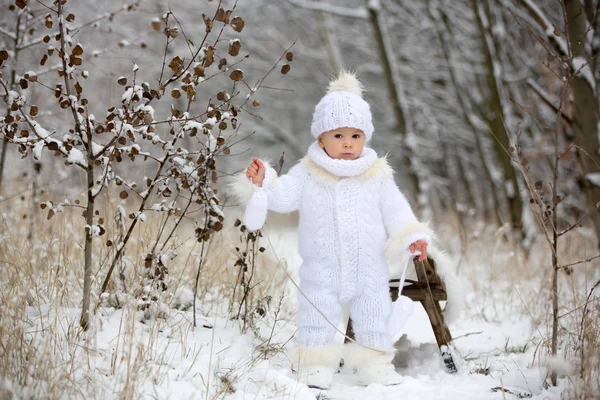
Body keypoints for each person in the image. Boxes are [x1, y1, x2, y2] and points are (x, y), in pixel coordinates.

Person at [231, 71, 433, 388]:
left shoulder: (376, 174)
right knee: (317, 315)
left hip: (369, 266)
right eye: (338, 136)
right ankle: (315, 365)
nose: (348, 144)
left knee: (373, 314)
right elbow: (283, 198)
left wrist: (412, 235)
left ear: (366, 137)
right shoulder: (308, 173)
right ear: (320, 138)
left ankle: (375, 363)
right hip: (322, 267)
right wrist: (265, 181)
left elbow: (396, 209)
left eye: (355, 136)